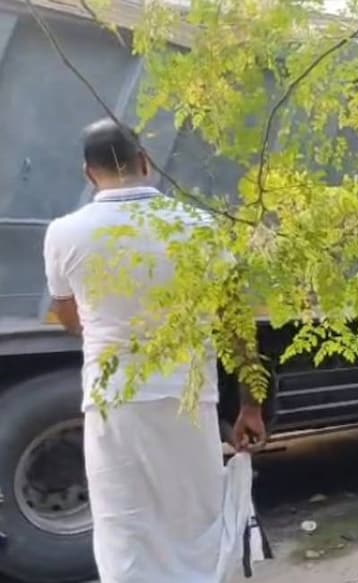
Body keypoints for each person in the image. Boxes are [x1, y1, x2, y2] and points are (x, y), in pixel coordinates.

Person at [42, 118, 266, 582]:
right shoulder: (200, 226)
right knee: (194, 522)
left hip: (115, 402)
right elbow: (234, 322)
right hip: (190, 399)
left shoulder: (64, 233)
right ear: (145, 162)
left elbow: (69, 318)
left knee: (124, 526)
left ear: (89, 174)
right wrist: (250, 404)